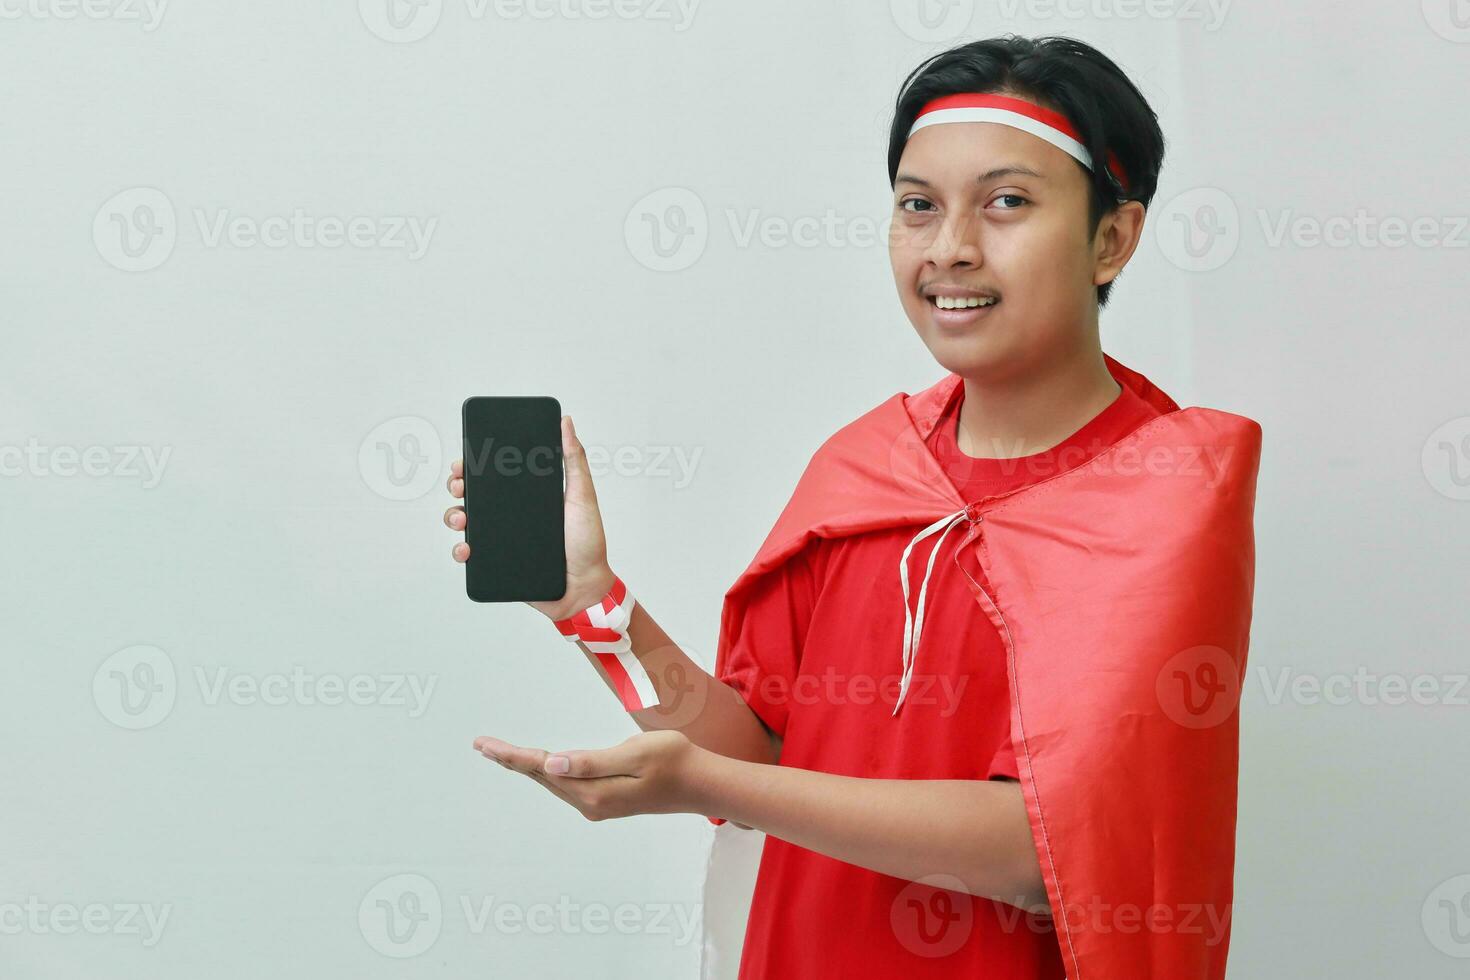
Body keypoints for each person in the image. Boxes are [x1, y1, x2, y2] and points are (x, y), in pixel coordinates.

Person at [444, 34, 1259, 980]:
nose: (950, 248)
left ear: (1112, 237)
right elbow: (761, 750)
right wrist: (591, 604)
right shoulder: (869, 468)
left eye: (1007, 203)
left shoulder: (1164, 492)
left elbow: (1046, 852)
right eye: (918, 206)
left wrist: (713, 780)